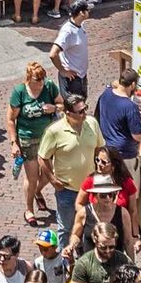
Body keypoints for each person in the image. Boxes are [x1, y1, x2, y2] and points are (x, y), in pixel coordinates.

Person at [8, 60, 62, 226]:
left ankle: (37, 191)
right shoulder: (20, 92)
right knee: (31, 177)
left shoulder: (50, 86)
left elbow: (61, 103)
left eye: (42, 79)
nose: (41, 84)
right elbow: (11, 119)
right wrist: (14, 142)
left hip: (48, 138)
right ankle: (29, 208)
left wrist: (54, 108)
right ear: (29, 79)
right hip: (28, 139)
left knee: (48, 173)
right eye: (37, 80)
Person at [39, 95, 102, 235]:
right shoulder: (54, 131)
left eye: (85, 109)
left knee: (89, 226)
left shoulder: (92, 123)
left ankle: (83, 254)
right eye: (80, 111)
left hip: (90, 189)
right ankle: (65, 257)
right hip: (66, 190)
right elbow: (43, 157)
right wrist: (52, 179)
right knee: (66, 228)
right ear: (68, 113)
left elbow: (99, 148)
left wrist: (100, 170)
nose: (84, 113)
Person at [50, 0, 92, 99]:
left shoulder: (80, 24)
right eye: (87, 10)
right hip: (72, 79)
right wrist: (63, 71)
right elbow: (53, 54)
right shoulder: (67, 32)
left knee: (81, 105)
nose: (89, 11)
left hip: (81, 76)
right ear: (81, 13)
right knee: (74, 110)